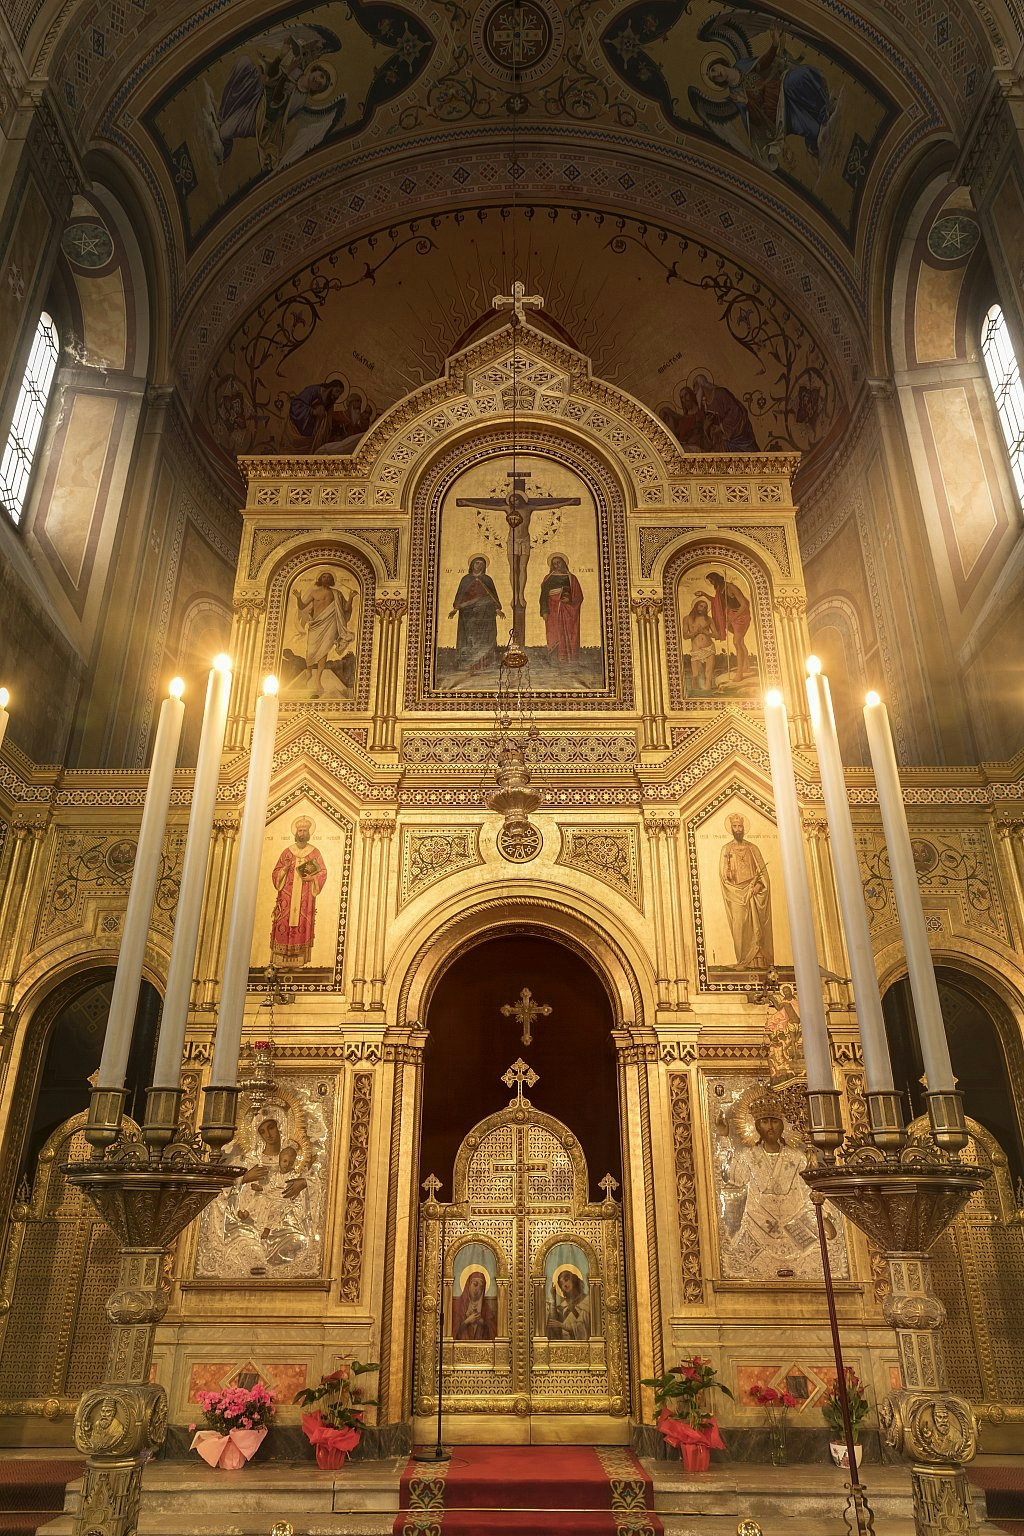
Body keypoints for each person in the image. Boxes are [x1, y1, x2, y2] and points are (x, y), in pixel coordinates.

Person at [722, 1093, 832, 1280]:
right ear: (757, 1126)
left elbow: (809, 1192)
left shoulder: (797, 1158)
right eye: (765, 1122)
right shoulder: (748, 1157)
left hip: (794, 1226)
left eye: (774, 1121)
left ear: (783, 1125)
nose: (770, 1127)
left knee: (820, 1255)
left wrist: (824, 1216)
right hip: (757, 1226)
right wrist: (726, 1139)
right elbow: (733, 1178)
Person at [706, 31, 834, 167]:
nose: (716, 74)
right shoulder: (735, 95)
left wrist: (774, 45)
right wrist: (747, 103)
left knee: (802, 74)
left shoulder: (742, 64)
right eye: (713, 78)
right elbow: (756, 122)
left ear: (719, 63)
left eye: (713, 69)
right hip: (777, 113)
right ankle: (813, 142)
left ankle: (824, 108)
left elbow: (763, 63)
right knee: (815, 129)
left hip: (780, 88)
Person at [270, 816, 327, 967]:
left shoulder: (314, 852)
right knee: (283, 921)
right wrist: (285, 868)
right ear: (296, 832)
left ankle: (300, 958)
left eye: (304, 831)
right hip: (287, 897)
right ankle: (280, 958)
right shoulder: (287, 852)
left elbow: (322, 872)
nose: (302, 833)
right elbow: (276, 873)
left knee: (302, 922)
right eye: (300, 830)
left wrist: (312, 878)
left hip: (305, 898)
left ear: (309, 833)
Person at [719, 813, 773, 969]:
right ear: (731, 828)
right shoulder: (726, 849)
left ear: (743, 828)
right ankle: (742, 960)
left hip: (753, 892)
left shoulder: (752, 848)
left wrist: (758, 886)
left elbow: (764, 875)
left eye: (740, 826)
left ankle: (759, 962)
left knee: (757, 926)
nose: (737, 829)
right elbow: (723, 877)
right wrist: (733, 884)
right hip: (735, 894)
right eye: (735, 826)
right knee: (740, 925)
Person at [291, 570, 356, 696]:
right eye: (324, 576)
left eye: (328, 577)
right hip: (316, 624)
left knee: (323, 651)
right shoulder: (314, 592)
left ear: (331, 580)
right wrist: (298, 597)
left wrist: (351, 598)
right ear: (319, 578)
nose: (326, 578)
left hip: (330, 624)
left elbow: (345, 610)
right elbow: (302, 607)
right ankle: (309, 671)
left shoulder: (337, 594)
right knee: (311, 650)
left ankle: (318, 680)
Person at [449, 556, 504, 674]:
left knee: (485, 638)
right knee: (470, 638)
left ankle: (486, 664)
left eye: (481, 564)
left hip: (486, 614)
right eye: (476, 563)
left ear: (484, 566)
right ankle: (468, 665)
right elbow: (460, 595)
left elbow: (493, 596)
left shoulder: (487, 579)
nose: (479, 566)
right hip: (468, 615)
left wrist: (497, 609)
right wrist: (455, 609)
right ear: (472, 565)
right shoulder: (466, 579)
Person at [698, 570, 753, 684]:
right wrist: (704, 594)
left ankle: (739, 674)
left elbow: (744, 604)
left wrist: (734, 617)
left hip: (741, 615)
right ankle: (746, 666)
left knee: (737, 642)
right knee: (740, 642)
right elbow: (715, 601)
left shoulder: (731, 587)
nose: (711, 583)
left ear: (716, 579)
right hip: (731, 614)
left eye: (712, 581)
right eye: (710, 582)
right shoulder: (720, 590)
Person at [690, 374, 759, 452]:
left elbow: (735, 412)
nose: (694, 391)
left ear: (701, 384)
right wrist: (707, 428)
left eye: (694, 386)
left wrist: (721, 427)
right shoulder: (705, 404)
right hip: (725, 442)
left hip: (739, 437)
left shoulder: (720, 393)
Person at [539, 554, 584, 665]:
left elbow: (578, 595)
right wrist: (544, 611)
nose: (557, 565)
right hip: (552, 609)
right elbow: (543, 596)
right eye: (554, 564)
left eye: (559, 562)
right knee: (553, 633)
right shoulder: (548, 578)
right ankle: (555, 660)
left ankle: (569, 658)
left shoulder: (571, 578)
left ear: (564, 563)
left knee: (567, 632)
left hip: (567, 610)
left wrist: (569, 600)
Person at [288, 380, 345, 452]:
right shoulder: (313, 391)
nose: (337, 396)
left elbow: (328, 421)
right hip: (297, 430)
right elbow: (296, 404)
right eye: (337, 391)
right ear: (331, 387)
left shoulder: (330, 400)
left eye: (340, 394)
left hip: (312, 436)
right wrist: (312, 411)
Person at [682, 596, 717, 693]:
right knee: (695, 675)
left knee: (708, 674)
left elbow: (716, 635)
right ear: (696, 606)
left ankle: (709, 698)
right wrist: (695, 633)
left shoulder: (709, 619)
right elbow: (685, 636)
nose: (703, 609)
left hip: (709, 648)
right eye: (701, 606)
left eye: (705, 607)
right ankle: (695, 697)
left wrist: (706, 632)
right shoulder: (687, 619)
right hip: (696, 650)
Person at [451, 1268, 497, 1340]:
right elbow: (452, 1332)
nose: (477, 1289)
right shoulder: (458, 1305)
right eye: (475, 1284)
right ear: (468, 1285)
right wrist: (467, 1322)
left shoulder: (486, 1308)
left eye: (481, 1287)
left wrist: (482, 1323)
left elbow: (493, 1332)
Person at [545, 1269, 591, 1340]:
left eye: (566, 1280)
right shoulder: (563, 1306)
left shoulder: (586, 1301)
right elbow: (554, 1327)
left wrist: (562, 1325)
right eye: (561, 1284)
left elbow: (585, 1325)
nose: (565, 1285)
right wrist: (553, 1297)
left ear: (573, 1280)